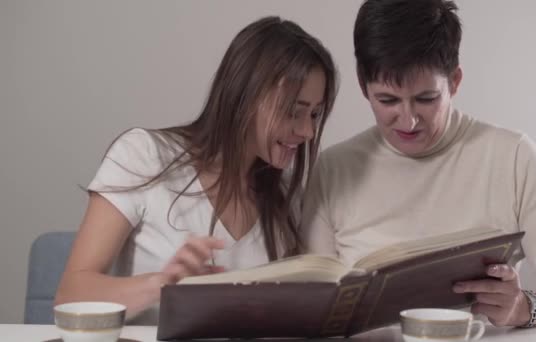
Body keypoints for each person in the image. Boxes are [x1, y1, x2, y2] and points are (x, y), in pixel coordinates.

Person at [301, 0, 536, 328]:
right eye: (387, 100)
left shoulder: (512, 157)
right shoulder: (331, 171)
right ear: (362, 86)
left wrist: (526, 306)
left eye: (426, 99)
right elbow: (315, 312)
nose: (409, 121)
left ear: (454, 81)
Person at [55, 16, 337, 324]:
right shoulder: (144, 156)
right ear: (246, 96)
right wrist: (161, 285)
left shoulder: (285, 194)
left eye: (315, 113)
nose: (308, 131)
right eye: (293, 111)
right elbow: (71, 294)